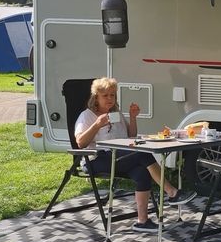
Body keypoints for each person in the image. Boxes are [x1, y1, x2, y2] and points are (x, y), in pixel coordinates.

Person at [74, 77, 194, 231]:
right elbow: (80, 142)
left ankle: (142, 222)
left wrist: (132, 117)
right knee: (142, 154)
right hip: (97, 159)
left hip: (119, 156)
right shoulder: (87, 116)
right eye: (105, 96)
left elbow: (130, 136)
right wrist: (97, 125)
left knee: (142, 171)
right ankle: (172, 192)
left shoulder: (115, 113)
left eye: (112, 95)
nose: (110, 99)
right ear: (96, 96)